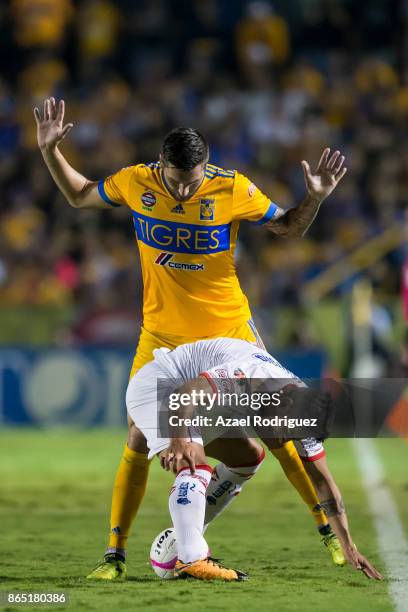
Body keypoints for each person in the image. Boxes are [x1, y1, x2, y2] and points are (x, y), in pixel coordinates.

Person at [34, 97, 348, 579]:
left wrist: (316, 197)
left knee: (277, 432)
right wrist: (51, 151)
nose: (184, 188)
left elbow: (288, 227)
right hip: (160, 334)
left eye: (193, 179)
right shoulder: (135, 181)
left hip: (228, 331)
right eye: (177, 180)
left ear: (206, 167)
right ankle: (115, 557)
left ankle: (327, 532)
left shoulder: (232, 187)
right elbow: (78, 196)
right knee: (139, 433)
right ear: (161, 166)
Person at [125, 336, 383, 581]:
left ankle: (187, 532)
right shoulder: (250, 376)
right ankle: (192, 557)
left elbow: (323, 482)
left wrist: (349, 546)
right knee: (192, 458)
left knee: (247, 458)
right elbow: (186, 393)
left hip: (202, 402)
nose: (284, 438)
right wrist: (178, 438)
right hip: (161, 385)